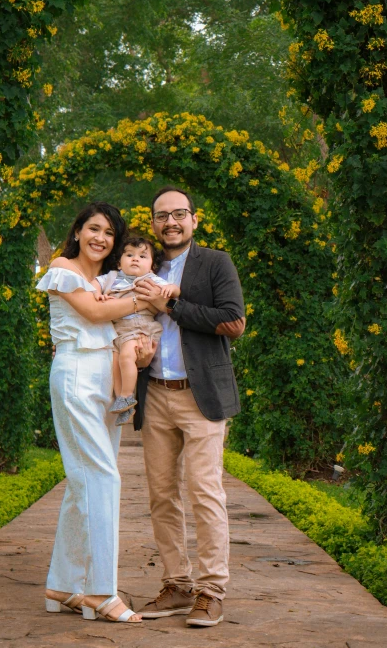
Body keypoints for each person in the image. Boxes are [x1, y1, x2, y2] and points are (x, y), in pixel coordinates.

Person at [37, 202, 155, 625]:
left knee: (82, 481)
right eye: (94, 228)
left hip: (104, 378)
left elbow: (115, 327)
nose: (100, 238)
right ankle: (102, 591)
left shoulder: (106, 280)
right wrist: (146, 301)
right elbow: (93, 312)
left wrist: (140, 349)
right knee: (103, 476)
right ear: (79, 230)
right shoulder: (63, 268)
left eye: (109, 232)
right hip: (75, 376)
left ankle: (64, 584)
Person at [134, 186, 246, 628]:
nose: (171, 223)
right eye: (162, 216)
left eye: (179, 214)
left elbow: (233, 322)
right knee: (162, 496)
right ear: (154, 222)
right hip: (157, 394)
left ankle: (211, 591)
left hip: (201, 397)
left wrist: (174, 306)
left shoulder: (215, 262)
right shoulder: (144, 264)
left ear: (194, 220)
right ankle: (178, 585)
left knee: (204, 493)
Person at [92, 236, 180, 426]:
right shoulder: (112, 277)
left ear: (151, 266)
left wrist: (171, 289)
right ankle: (123, 402)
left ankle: (126, 396)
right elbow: (94, 285)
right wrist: (97, 295)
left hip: (140, 328)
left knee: (126, 358)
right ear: (119, 261)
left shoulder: (150, 279)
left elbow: (174, 291)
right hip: (118, 332)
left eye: (142, 256)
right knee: (115, 366)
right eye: (129, 254)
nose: (135, 259)